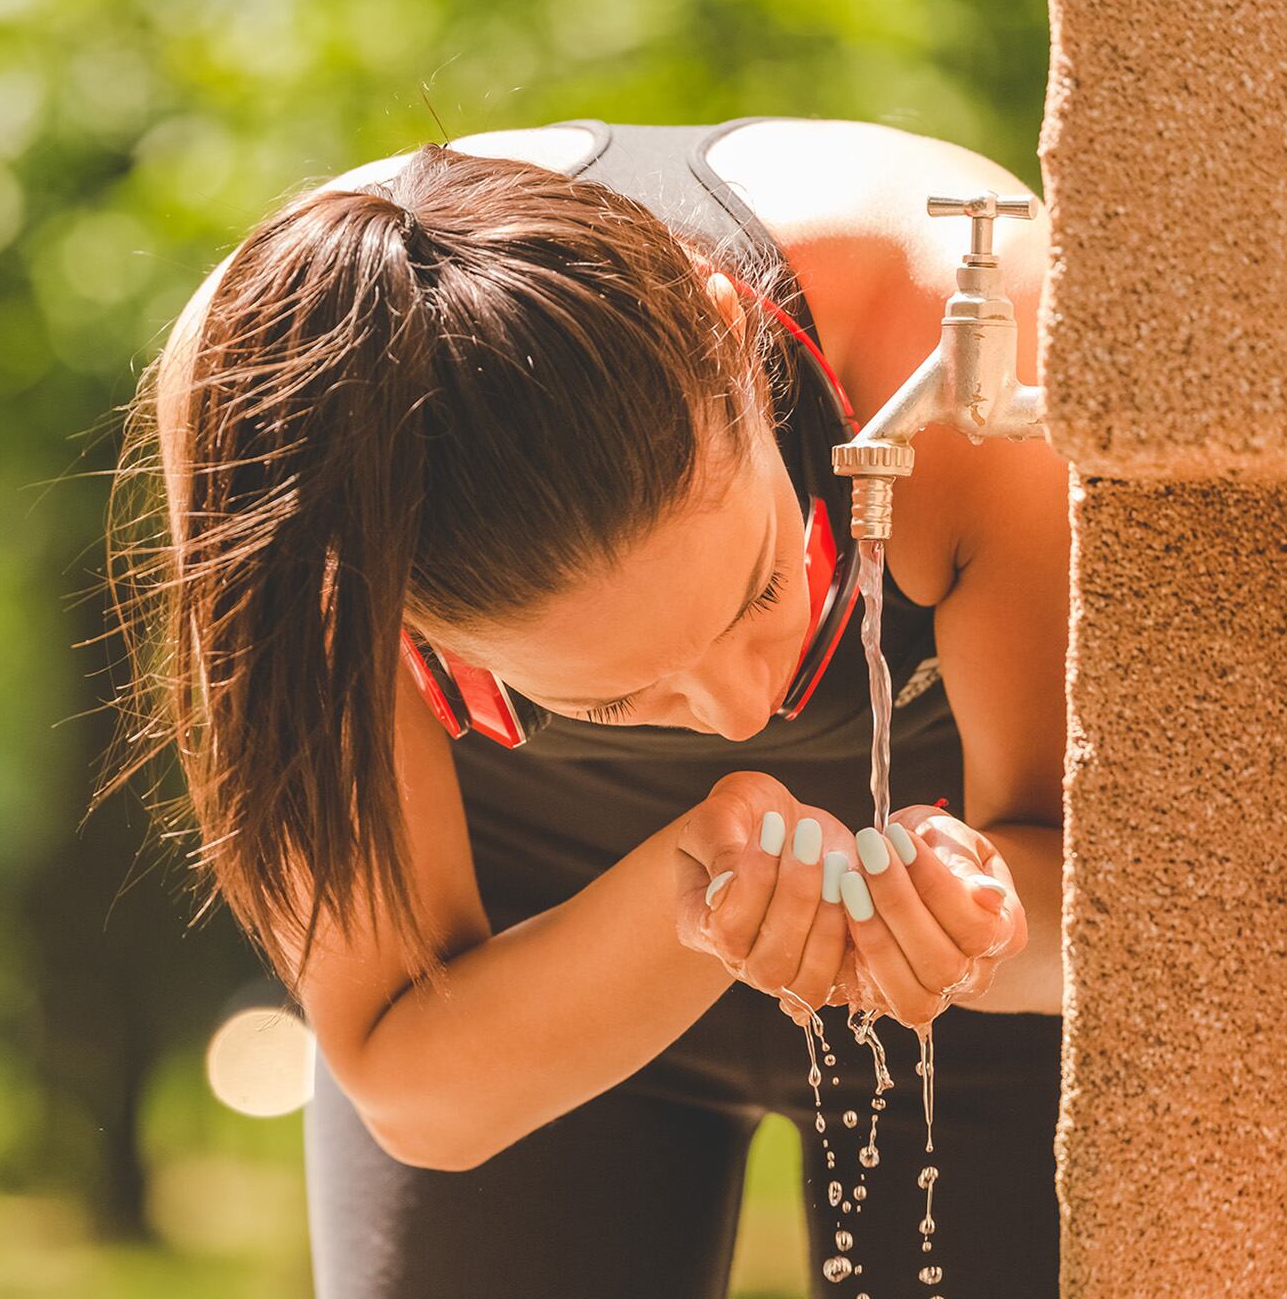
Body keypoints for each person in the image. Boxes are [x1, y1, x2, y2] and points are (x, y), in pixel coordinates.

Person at [96, 115, 1068, 1297]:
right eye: (614, 696)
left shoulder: (970, 319)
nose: (739, 710)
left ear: (725, 327)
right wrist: (692, 894)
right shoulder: (286, 436)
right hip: (524, 965)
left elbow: (1113, 904)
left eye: (767, 584)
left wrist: (969, 914)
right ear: (396, 611)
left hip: (979, 1004)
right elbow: (413, 1082)